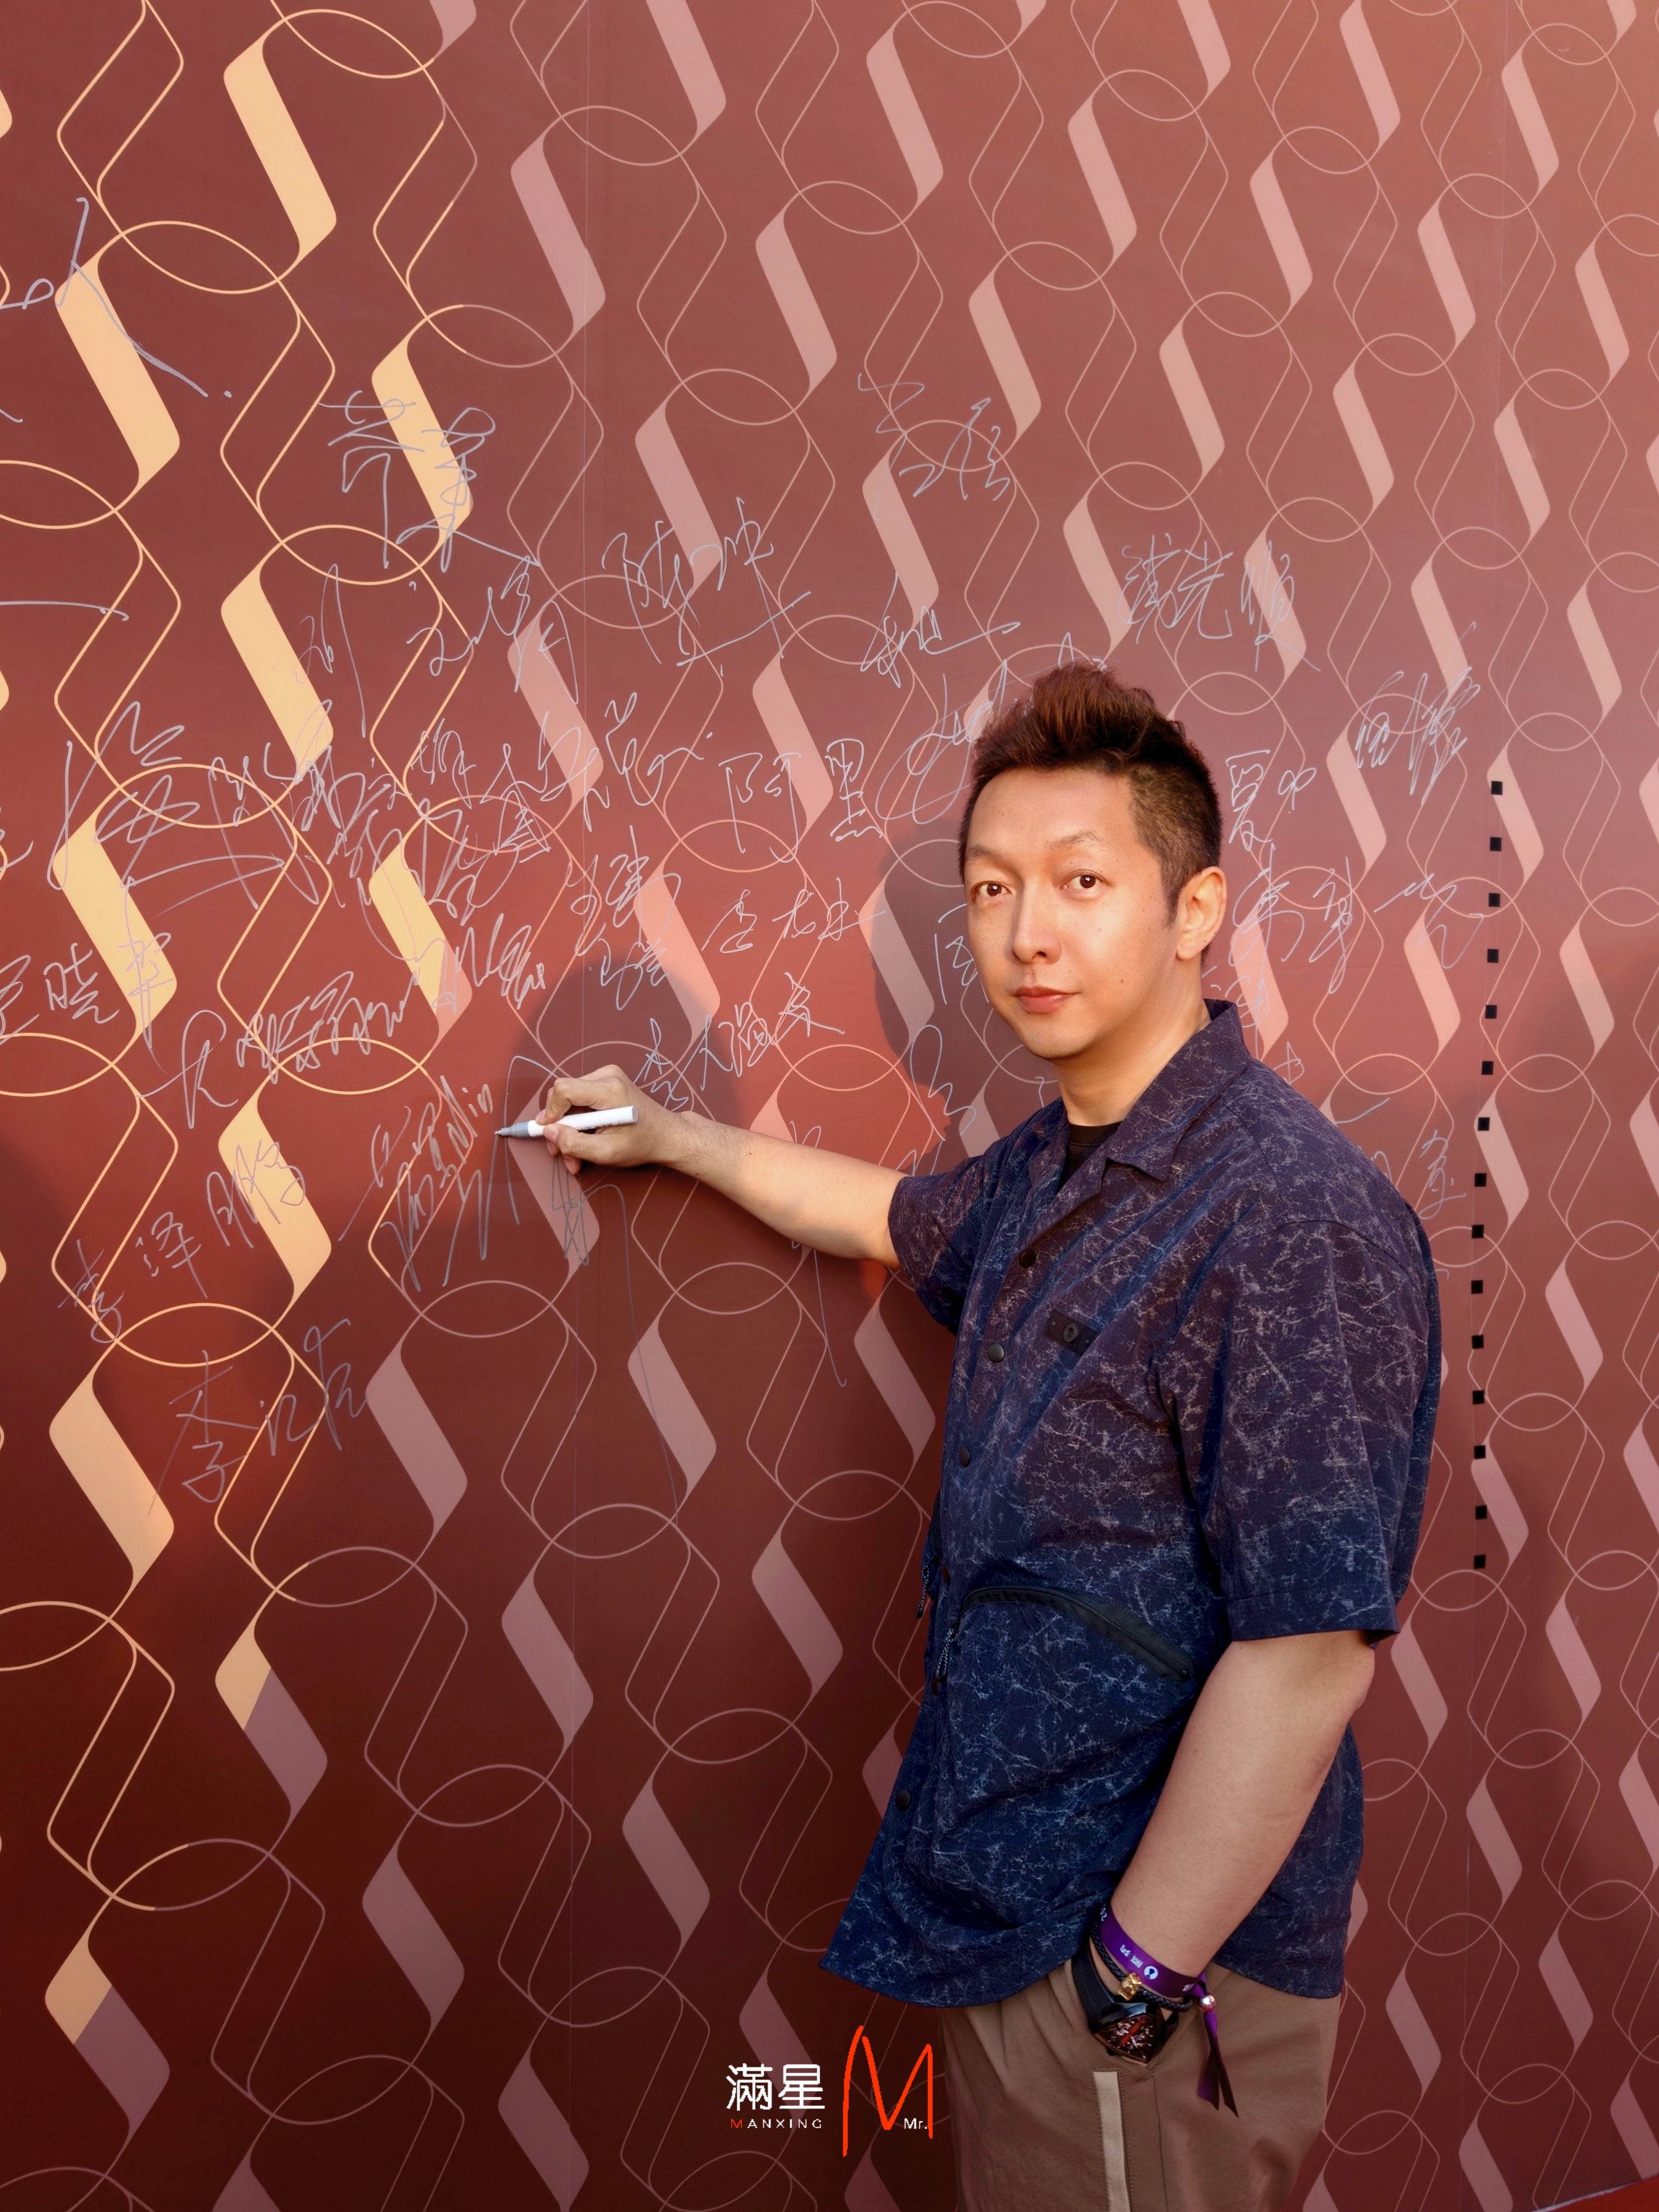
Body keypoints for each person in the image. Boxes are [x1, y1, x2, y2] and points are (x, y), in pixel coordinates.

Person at [536, 664, 1440, 2211]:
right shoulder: (1048, 1170)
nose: (1027, 932)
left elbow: (1309, 1653)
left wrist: (1130, 1981)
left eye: (1082, 882)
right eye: (993, 889)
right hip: (1019, 1922)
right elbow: (886, 1213)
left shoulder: (1284, 1212)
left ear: (1197, 908)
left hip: (1149, 1966)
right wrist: (672, 1135)